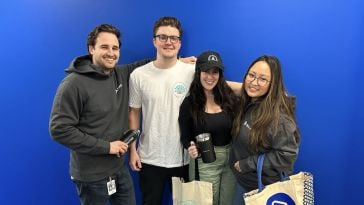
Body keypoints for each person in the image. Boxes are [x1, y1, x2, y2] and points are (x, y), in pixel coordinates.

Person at [128, 16, 194, 205]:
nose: (168, 42)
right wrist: (132, 150)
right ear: (154, 41)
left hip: (183, 158)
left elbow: (219, 86)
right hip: (149, 158)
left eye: (173, 38)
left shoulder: (191, 72)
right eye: (163, 37)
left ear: (179, 43)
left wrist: (249, 89)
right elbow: (134, 113)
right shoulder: (139, 75)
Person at [230, 55, 300, 205]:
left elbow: (287, 155)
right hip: (243, 184)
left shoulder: (279, 118)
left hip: (263, 191)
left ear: (272, 84)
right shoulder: (250, 101)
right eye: (251, 75)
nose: (254, 82)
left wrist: (246, 164)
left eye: (262, 79)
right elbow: (228, 86)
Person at [178, 50, 239, 205]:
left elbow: (252, 91)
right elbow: (185, 136)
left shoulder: (229, 99)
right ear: (198, 73)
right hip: (205, 161)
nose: (210, 77)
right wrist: (190, 146)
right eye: (206, 71)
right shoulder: (189, 103)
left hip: (231, 160)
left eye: (215, 72)